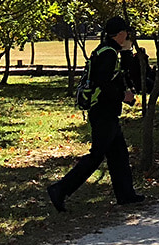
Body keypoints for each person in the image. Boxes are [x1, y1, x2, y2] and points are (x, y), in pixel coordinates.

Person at [47, 16, 145, 212]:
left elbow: (123, 73)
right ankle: (60, 189)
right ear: (120, 33)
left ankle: (126, 195)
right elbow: (103, 84)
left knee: (119, 155)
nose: (128, 35)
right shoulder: (107, 54)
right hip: (103, 112)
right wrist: (122, 96)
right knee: (96, 156)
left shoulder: (107, 50)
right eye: (125, 32)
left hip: (107, 112)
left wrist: (126, 51)